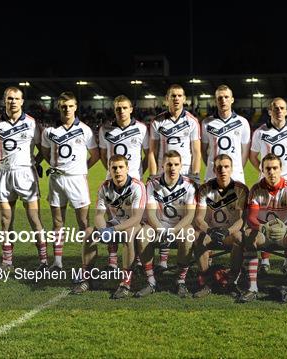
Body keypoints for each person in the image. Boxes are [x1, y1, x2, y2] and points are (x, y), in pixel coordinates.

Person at [70, 155, 146, 299]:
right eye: (114, 168)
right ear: (109, 170)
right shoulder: (104, 187)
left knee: (128, 234)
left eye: (121, 167)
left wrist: (113, 230)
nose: (118, 171)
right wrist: (103, 230)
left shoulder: (137, 186)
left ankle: (125, 283)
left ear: (127, 169)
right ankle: (86, 278)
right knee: (88, 233)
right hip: (114, 224)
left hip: (137, 225)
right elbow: (99, 215)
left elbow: (136, 218)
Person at [0, 86, 47, 272]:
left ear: (22, 101)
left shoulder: (31, 123)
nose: (13, 101)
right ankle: (7, 262)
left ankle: (44, 261)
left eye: (16, 98)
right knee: (6, 220)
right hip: (4, 175)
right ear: (4, 101)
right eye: (9, 98)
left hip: (26, 176)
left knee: (34, 218)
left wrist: (33, 163)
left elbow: (42, 149)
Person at [240, 154, 287, 304]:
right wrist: (262, 228)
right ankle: (252, 287)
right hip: (264, 233)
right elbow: (251, 218)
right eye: (268, 169)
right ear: (262, 170)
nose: (271, 172)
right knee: (248, 234)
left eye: (274, 168)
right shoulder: (256, 189)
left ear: (280, 169)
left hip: (285, 234)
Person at [41, 91, 100, 271]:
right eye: (64, 106)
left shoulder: (85, 129)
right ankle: (58, 262)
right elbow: (45, 153)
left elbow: (95, 155)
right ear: (59, 107)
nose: (67, 109)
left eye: (71, 106)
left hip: (77, 180)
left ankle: (87, 263)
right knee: (57, 222)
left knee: (83, 222)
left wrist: (80, 169)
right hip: (56, 180)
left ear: (76, 107)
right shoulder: (50, 131)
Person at [147, 84, 201, 270]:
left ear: (184, 99)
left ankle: (186, 261)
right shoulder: (157, 122)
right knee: (164, 214)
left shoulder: (192, 121)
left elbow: (196, 152)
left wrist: (195, 176)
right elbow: (152, 152)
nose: (176, 99)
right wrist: (154, 175)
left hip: (185, 172)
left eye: (179, 95)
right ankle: (162, 260)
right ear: (166, 99)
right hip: (164, 172)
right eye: (173, 96)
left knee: (186, 217)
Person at [249, 97, 287, 274]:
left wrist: (282, 173)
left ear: (286, 111)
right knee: (266, 218)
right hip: (264, 183)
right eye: (275, 108)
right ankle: (265, 260)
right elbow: (253, 156)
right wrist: (267, 172)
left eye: (282, 108)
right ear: (269, 111)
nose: (279, 111)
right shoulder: (260, 132)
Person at [135, 150, 197, 298]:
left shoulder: (190, 185)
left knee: (189, 234)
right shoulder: (152, 184)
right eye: (169, 164)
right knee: (143, 234)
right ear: (162, 165)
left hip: (179, 226)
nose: (173, 168)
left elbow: (190, 215)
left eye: (176, 164)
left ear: (181, 166)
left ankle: (180, 280)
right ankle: (151, 281)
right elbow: (150, 213)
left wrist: (174, 231)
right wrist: (162, 230)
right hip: (158, 225)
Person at [98, 95, 149, 270]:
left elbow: (147, 154)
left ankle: (139, 258)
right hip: (112, 180)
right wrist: (114, 172)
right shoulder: (105, 130)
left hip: (134, 182)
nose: (121, 111)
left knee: (136, 220)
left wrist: (138, 173)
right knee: (111, 218)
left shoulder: (142, 128)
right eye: (118, 108)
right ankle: (112, 258)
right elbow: (104, 156)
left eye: (124, 108)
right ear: (114, 110)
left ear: (131, 109)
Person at [192, 154, 249, 298]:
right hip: (211, 232)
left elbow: (241, 220)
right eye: (219, 167)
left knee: (239, 237)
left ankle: (232, 281)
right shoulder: (205, 189)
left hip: (228, 233)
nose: (222, 170)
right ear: (213, 169)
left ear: (231, 169)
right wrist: (209, 231)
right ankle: (206, 281)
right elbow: (199, 218)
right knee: (198, 236)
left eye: (226, 167)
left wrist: (227, 231)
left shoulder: (241, 189)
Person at [201, 85, 250, 183]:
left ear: (232, 100)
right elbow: (203, 150)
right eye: (220, 98)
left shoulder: (242, 122)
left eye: (226, 97)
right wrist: (212, 167)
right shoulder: (206, 122)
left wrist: (237, 168)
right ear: (216, 101)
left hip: (235, 175)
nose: (223, 100)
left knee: (237, 198)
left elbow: (245, 152)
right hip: (212, 174)